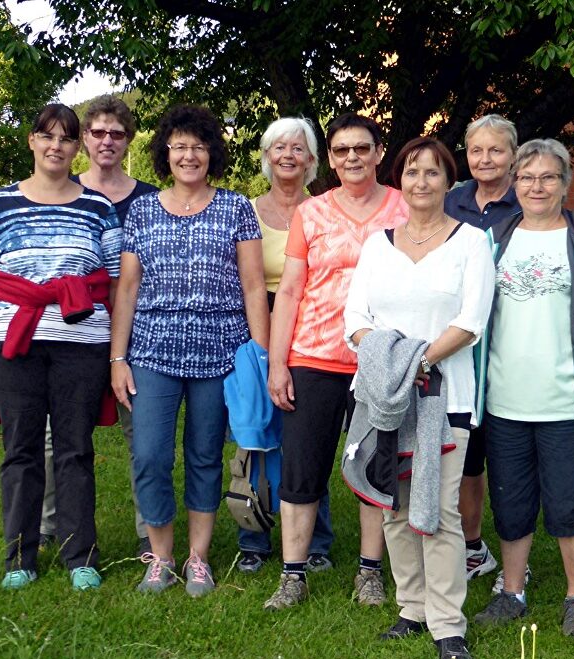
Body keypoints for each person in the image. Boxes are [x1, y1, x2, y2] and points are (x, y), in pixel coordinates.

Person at [0, 103, 119, 591]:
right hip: (10, 342)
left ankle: (80, 555)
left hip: (80, 345)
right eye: (47, 137)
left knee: (74, 448)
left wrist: (115, 354)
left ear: (77, 147)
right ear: (31, 142)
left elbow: (111, 284)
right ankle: (20, 558)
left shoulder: (98, 208)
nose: (56, 146)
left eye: (66, 139)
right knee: (21, 449)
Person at [344, 137, 494, 659]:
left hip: (443, 398)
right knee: (394, 507)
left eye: (433, 173)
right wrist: (393, 363)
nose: (421, 182)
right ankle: (411, 609)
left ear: (448, 183)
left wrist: (417, 361)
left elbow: (471, 321)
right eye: (412, 173)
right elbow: (355, 320)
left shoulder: (472, 243)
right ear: (400, 181)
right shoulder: (376, 245)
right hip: (384, 398)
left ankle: (448, 624)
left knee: (440, 510)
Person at [109, 104, 270, 597]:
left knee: (204, 456)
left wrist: (258, 358)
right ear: (165, 153)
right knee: (149, 456)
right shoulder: (141, 210)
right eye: (179, 146)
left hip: (219, 355)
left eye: (199, 146)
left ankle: (198, 559)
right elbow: (129, 288)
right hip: (152, 355)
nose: (189, 155)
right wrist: (117, 358)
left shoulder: (237, 208)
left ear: (212, 153)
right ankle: (160, 557)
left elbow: (251, 286)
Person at [471, 139, 574, 640]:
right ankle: (511, 591)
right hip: (503, 398)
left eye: (548, 177)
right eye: (527, 177)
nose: (537, 186)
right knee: (510, 501)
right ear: (514, 182)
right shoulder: (494, 237)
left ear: (566, 183)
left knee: (569, 502)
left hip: (567, 401)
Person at [263, 113, 408, 611]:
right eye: (342, 150)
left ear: (377, 153)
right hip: (314, 357)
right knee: (301, 470)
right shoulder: (313, 212)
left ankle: (369, 572)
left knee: (373, 470)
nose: (352, 158)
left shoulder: (403, 207)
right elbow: (289, 290)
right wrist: (277, 364)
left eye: (361, 149)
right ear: (331, 156)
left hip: (379, 360)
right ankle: (292, 574)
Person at [38, 95, 158, 556]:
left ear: (128, 141)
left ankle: (150, 532)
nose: (107, 141)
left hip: (138, 333)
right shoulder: (63, 192)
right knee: (59, 435)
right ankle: (49, 526)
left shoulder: (149, 199)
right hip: (75, 332)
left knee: (142, 436)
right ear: (84, 138)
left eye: (117, 133)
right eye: (98, 132)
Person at [236, 116, 336, 574]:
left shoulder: (325, 211)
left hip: (313, 328)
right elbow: (249, 283)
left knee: (307, 435)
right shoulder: (246, 210)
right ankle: (252, 536)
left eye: (298, 148)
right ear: (266, 156)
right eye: (279, 147)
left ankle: (316, 543)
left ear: (312, 160)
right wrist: (264, 350)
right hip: (257, 325)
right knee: (256, 433)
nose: (288, 155)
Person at [443, 114, 521, 586]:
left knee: (508, 455)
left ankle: (517, 550)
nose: (485, 159)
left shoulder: (526, 199)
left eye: (495, 150)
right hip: (458, 342)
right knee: (466, 453)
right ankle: (473, 547)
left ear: (512, 154)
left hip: (513, 339)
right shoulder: (452, 200)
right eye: (476, 151)